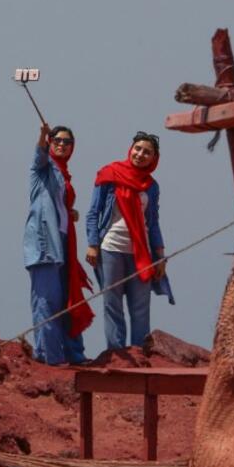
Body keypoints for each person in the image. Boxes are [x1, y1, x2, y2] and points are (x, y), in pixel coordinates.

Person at [86, 131, 171, 351]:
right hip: (111, 247)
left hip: (140, 252)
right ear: (130, 149)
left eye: (147, 152)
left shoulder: (152, 186)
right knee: (112, 303)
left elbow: (153, 223)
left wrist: (160, 256)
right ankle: (116, 352)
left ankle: (139, 353)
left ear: (154, 159)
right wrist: (93, 244)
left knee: (140, 306)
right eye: (138, 149)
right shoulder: (109, 175)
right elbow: (93, 213)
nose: (141, 154)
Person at [23, 123, 93, 365]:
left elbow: (56, 203)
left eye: (67, 142)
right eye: (58, 141)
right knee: (47, 300)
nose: (62, 145)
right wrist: (42, 135)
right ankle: (50, 357)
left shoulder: (63, 173)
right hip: (44, 243)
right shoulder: (43, 169)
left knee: (67, 297)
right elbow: (40, 155)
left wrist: (69, 211)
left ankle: (71, 354)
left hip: (63, 241)